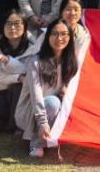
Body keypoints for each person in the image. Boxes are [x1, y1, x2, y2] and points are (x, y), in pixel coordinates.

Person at [16, 16, 89, 159]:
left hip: (54, 109)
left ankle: (54, 136)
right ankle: (36, 143)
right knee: (52, 102)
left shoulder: (71, 61)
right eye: (54, 34)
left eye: (64, 34)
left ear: (70, 37)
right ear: (47, 36)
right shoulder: (36, 62)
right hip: (32, 111)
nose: (59, 38)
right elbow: (36, 96)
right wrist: (43, 122)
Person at [0, 10, 37, 132]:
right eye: (8, 24)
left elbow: (29, 70)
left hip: (23, 90)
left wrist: (8, 62)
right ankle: (7, 123)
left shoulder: (34, 45)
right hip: (0, 87)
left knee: (18, 87)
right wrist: (18, 77)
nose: (12, 28)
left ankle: (17, 126)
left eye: (17, 23)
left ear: (25, 26)